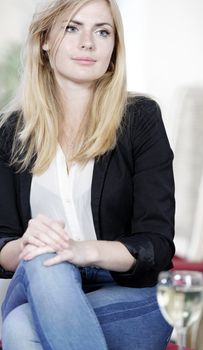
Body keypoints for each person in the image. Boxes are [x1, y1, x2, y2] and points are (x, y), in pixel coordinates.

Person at [0, 0, 175, 349]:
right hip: (40, 278)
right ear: (45, 40)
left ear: (114, 48)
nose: (88, 43)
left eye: (102, 31)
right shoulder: (11, 130)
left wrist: (83, 251)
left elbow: (156, 246)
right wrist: (27, 243)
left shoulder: (141, 119)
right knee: (45, 259)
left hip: (130, 298)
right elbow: (2, 245)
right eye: (72, 27)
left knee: (21, 327)